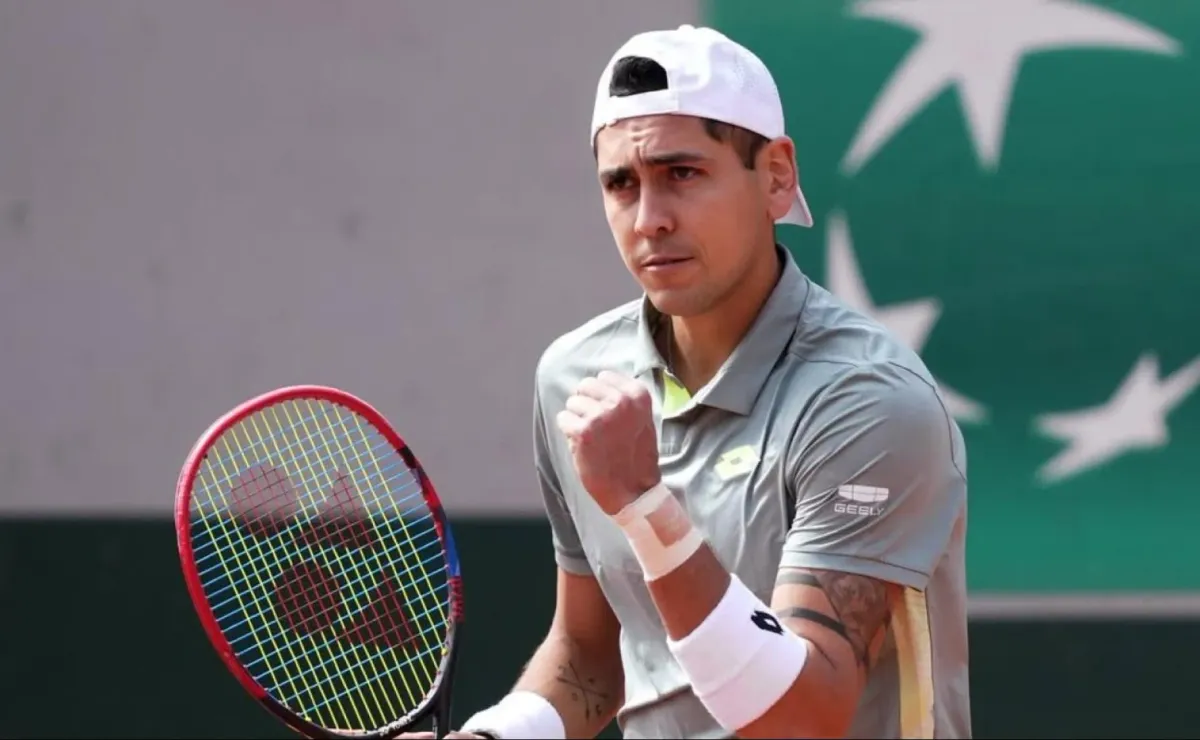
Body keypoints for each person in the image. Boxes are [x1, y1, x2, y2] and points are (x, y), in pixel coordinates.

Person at [415, 23, 971, 740]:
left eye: (682, 173)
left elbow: (804, 717)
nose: (649, 220)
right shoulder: (572, 377)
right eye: (621, 184)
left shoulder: (868, 401)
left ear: (775, 175)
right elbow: (593, 657)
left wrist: (646, 508)